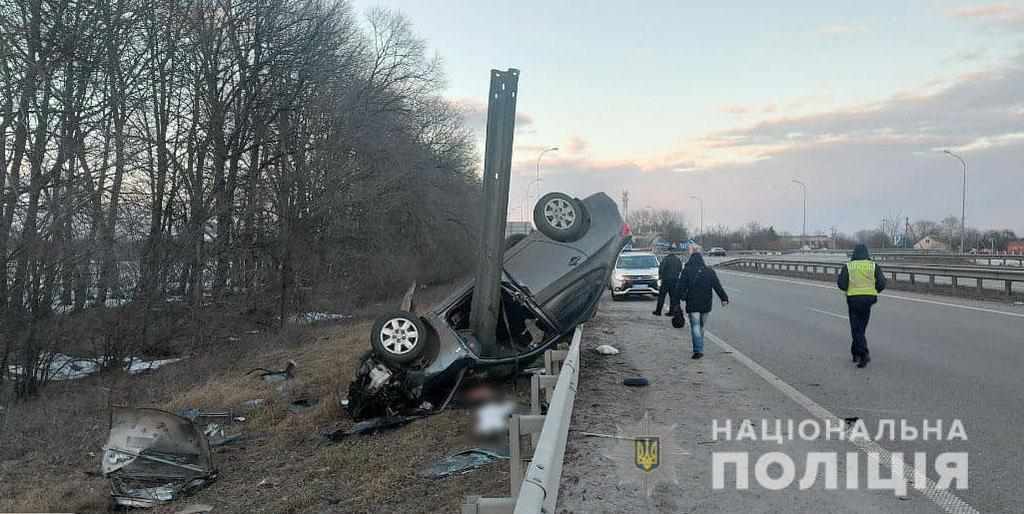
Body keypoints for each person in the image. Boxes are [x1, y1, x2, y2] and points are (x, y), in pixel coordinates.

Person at [837, 244, 887, 368]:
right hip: (868, 300)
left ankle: (863, 353)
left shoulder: (849, 266)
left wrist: (850, 288)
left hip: (854, 299)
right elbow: (882, 283)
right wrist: (873, 291)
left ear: (854, 253)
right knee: (861, 328)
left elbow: (841, 284)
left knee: (856, 329)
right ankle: (855, 353)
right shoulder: (873, 265)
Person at [675, 247, 729, 359]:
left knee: (695, 326)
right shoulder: (709, 271)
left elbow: (680, 287)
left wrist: (677, 300)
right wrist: (724, 298)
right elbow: (717, 286)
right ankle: (700, 347)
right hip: (706, 303)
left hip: (692, 303)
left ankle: (698, 350)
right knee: (701, 326)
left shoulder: (687, 271)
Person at [653, 250, 683, 316]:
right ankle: (671, 312)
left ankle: (658, 311)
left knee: (662, 296)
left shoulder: (665, 259)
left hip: (666, 280)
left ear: (669, 252)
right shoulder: (678, 260)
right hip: (675, 280)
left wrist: (660, 277)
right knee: (673, 297)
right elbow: (680, 269)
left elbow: (661, 268)